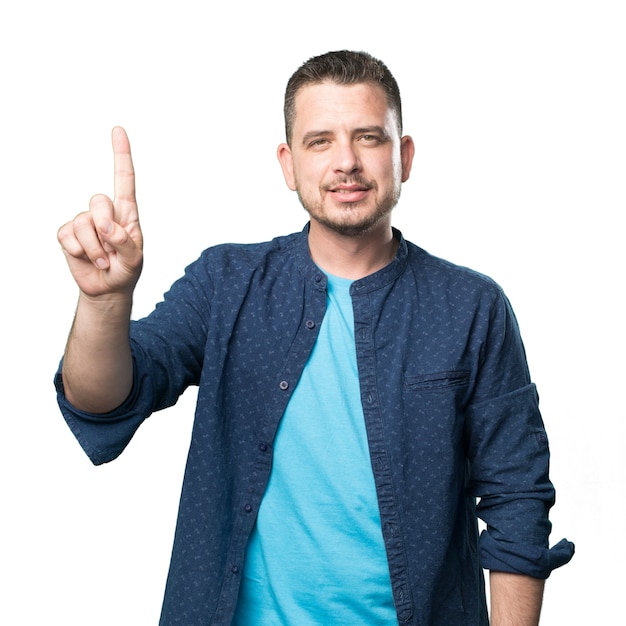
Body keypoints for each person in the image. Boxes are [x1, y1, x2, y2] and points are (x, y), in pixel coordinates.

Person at [55, 50, 574, 625]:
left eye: (369, 137)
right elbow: (103, 397)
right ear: (288, 163)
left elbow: (518, 500)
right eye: (320, 140)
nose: (346, 162)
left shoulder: (471, 308)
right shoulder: (226, 284)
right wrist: (104, 303)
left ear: (403, 157)